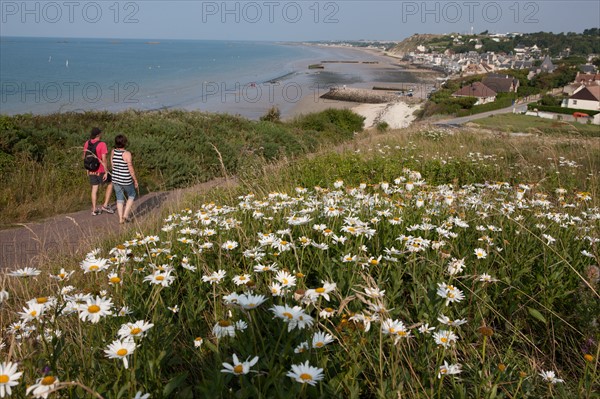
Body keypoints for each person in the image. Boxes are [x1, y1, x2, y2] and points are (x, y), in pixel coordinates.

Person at [83, 127, 114, 216]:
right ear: (98, 135)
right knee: (110, 183)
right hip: (100, 169)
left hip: (91, 170)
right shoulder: (102, 144)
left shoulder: (87, 143)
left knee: (94, 188)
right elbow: (104, 159)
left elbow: (85, 156)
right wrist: (106, 171)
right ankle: (105, 205)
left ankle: (94, 209)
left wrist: (87, 169)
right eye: (100, 133)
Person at [111, 134, 139, 224]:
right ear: (124, 143)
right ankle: (125, 215)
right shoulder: (127, 154)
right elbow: (130, 168)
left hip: (115, 178)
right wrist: (135, 179)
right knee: (132, 194)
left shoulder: (113, 152)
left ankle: (120, 219)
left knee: (119, 198)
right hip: (125, 178)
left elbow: (112, 164)